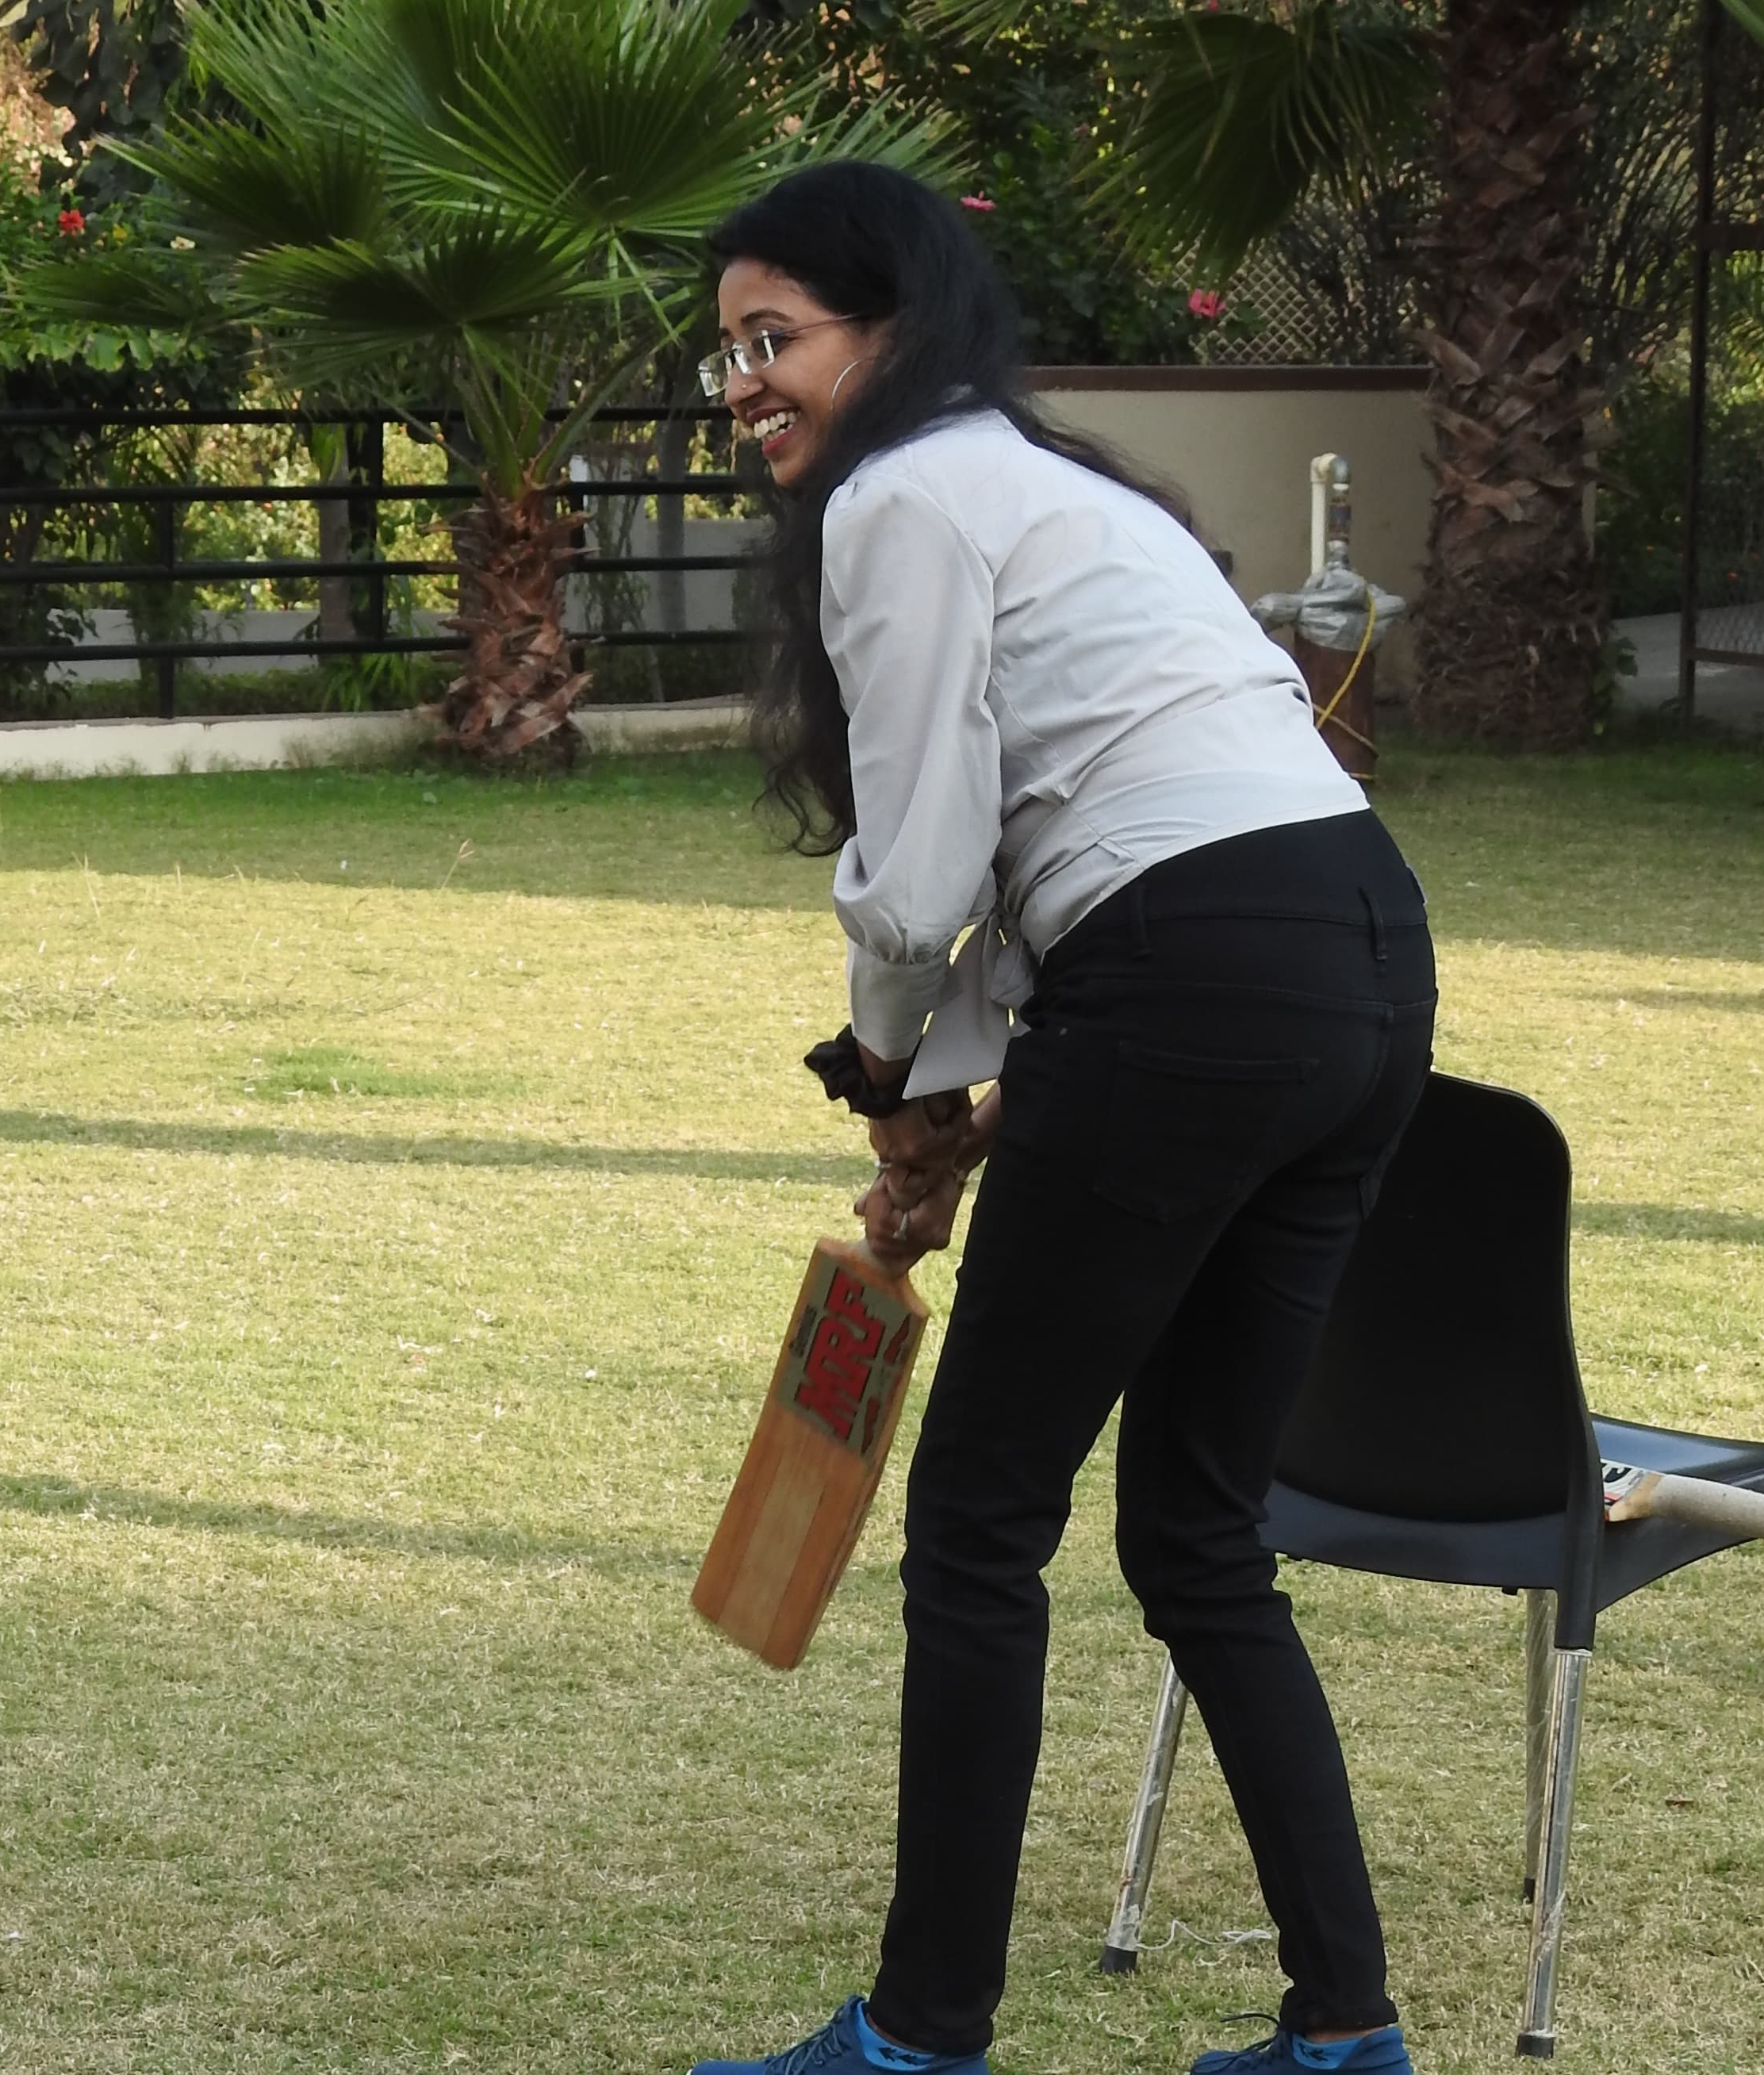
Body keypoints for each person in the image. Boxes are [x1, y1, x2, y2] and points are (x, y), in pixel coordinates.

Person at [684, 163, 1437, 2075]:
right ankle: (1345, 2036)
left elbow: (926, 866)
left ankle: (923, 2041)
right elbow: (1051, 864)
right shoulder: (1074, 488)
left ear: (893, 328)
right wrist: (933, 1117)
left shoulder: (903, 493)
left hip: (1193, 971)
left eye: (776, 341)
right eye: (727, 357)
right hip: (1358, 945)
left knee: (981, 1523)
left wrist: (889, 1084)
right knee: (1195, 1536)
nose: (748, 386)